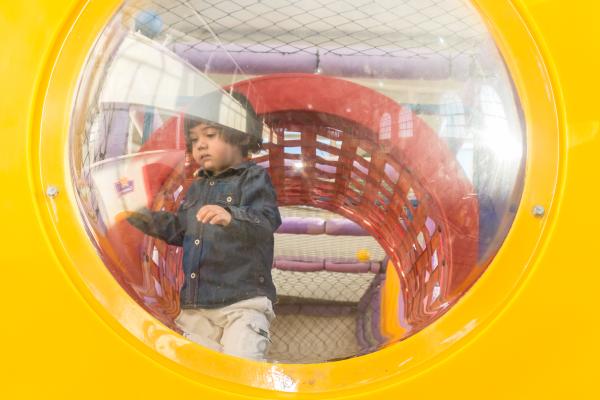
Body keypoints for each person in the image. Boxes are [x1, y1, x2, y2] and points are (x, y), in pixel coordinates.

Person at [127, 96, 281, 361]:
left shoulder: (253, 177)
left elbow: (267, 221)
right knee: (196, 366)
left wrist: (231, 216)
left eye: (210, 135)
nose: (200, 145)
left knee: (241, 363)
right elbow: (180, 229)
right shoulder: (197, 187)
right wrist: (139, 216)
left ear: (241, 135)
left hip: (242, 303)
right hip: (197, 307)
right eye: (194, 139)